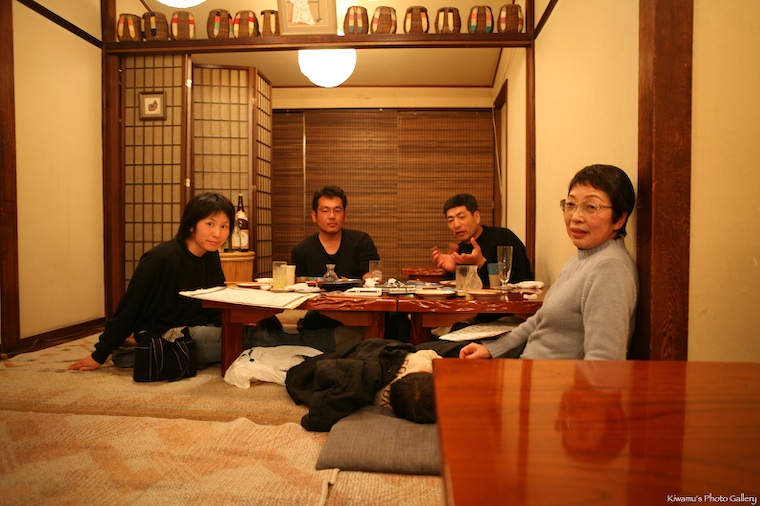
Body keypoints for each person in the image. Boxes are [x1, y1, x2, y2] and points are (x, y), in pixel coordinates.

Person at [459, 164, 639, 361]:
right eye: (571, 204)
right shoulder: (582, 258)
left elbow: (604, 362)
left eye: (591, 207)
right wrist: (492, 349)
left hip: (547, 378)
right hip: (526, 369)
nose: (576, 217)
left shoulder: (610, 269)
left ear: (619, 219)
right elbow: (540, 318)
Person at [68, 192, 255, 371]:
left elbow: (215, 301)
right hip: (171, 333)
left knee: (248, 332)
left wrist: (235, 322)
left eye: (224, 226)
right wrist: (100, 354)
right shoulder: (161, 258)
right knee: (252, 339)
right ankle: (141, 352)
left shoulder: (210, 255)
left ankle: (141, 351)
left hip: (200, 327)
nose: (217, 233)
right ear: (191, 225)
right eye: (210, 224)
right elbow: (130, 308)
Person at [285, 338, 445, 431]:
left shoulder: (423, 361)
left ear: (424, 372)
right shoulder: (381, 403)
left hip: (370, 358)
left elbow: (435, 357)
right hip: (372, 360)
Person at [431, 193, 533, 287]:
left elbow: (521, 280)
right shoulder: (461, 251)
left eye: (461, 217)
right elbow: (462, 290)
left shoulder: (504, 237)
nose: (456, 225)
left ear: (477, 217)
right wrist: (453, 270)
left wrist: (481, 262)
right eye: (450, 220)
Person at [291, 185, 379, 280]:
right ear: (314, 216)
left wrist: (369, 281)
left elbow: (371, 278)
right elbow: (300, 283)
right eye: (325, 211)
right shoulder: (302, 250)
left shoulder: (362, 242)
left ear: (344, 215)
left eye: (337, 211)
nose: (332, 216)